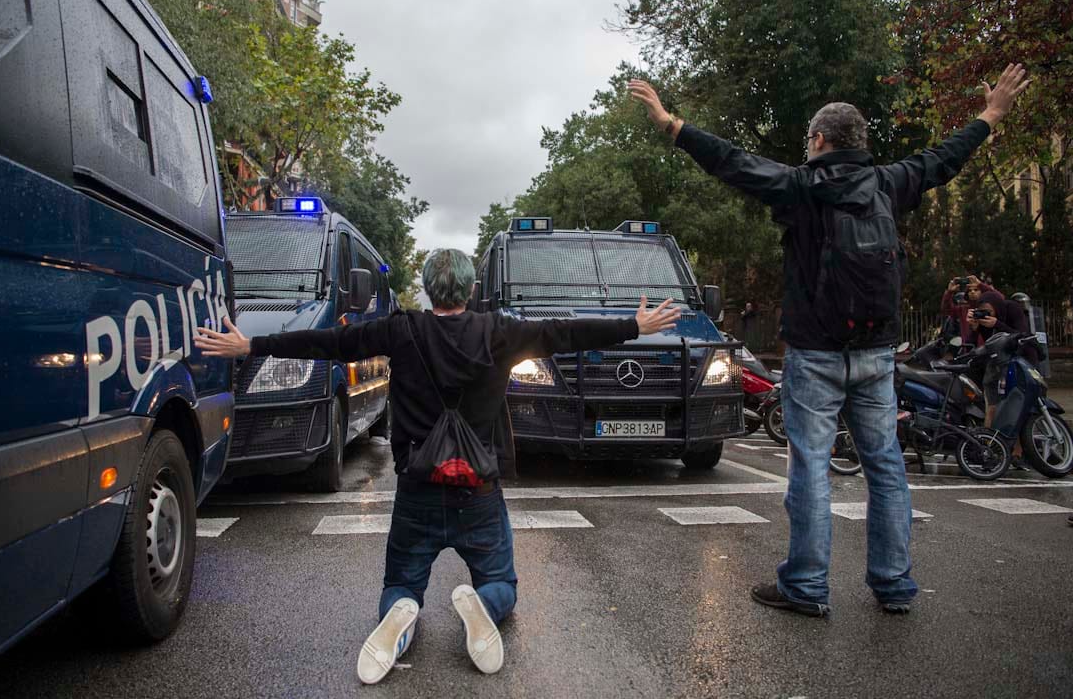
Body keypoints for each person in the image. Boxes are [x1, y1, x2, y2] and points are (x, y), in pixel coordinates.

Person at [629, 62, 1030, 617]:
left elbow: (733, 163)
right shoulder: (890, 184)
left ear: (819, 140)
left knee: (811, 466)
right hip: (875, 353)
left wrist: (672, 124)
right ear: (858, 144)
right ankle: (894, 585)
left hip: (815, 354)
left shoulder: (799, 188)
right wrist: (991, 114)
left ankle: (806, 586)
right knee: (885, 467)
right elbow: (945, 158)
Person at [194, 248, 681, 683]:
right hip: (479, 488)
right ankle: (483, 607)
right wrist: (633, 326)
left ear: (428, 290)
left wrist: (252, 346)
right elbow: (565, 332)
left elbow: (328, 344)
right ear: (470, 290)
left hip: (417, 486)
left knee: (402, 584)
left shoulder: (401, 330)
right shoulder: (502, 332)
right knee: (500, 583)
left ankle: (401, 617)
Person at [968, 291, 1036, 467]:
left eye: (988, 311)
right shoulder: (982, 321)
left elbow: (1022, 334)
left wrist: (998, 323)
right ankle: (988, 449)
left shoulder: (1011, 309)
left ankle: (1018, 451)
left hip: (1020, 361)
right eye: (981, 311)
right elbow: (974, 345)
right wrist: (975, 328)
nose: (986, 314)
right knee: (992, 407)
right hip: (997, 365)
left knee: (1018, 407)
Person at [941, 274, 1003, 346]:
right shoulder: (963, 309)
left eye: (976, 290)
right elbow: (946, 309)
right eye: (969, 291)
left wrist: (981, 285)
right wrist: (949, 292)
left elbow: (1000, 298)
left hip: (990, 348)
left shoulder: (991, 308)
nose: (972, 292)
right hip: (969, 349)